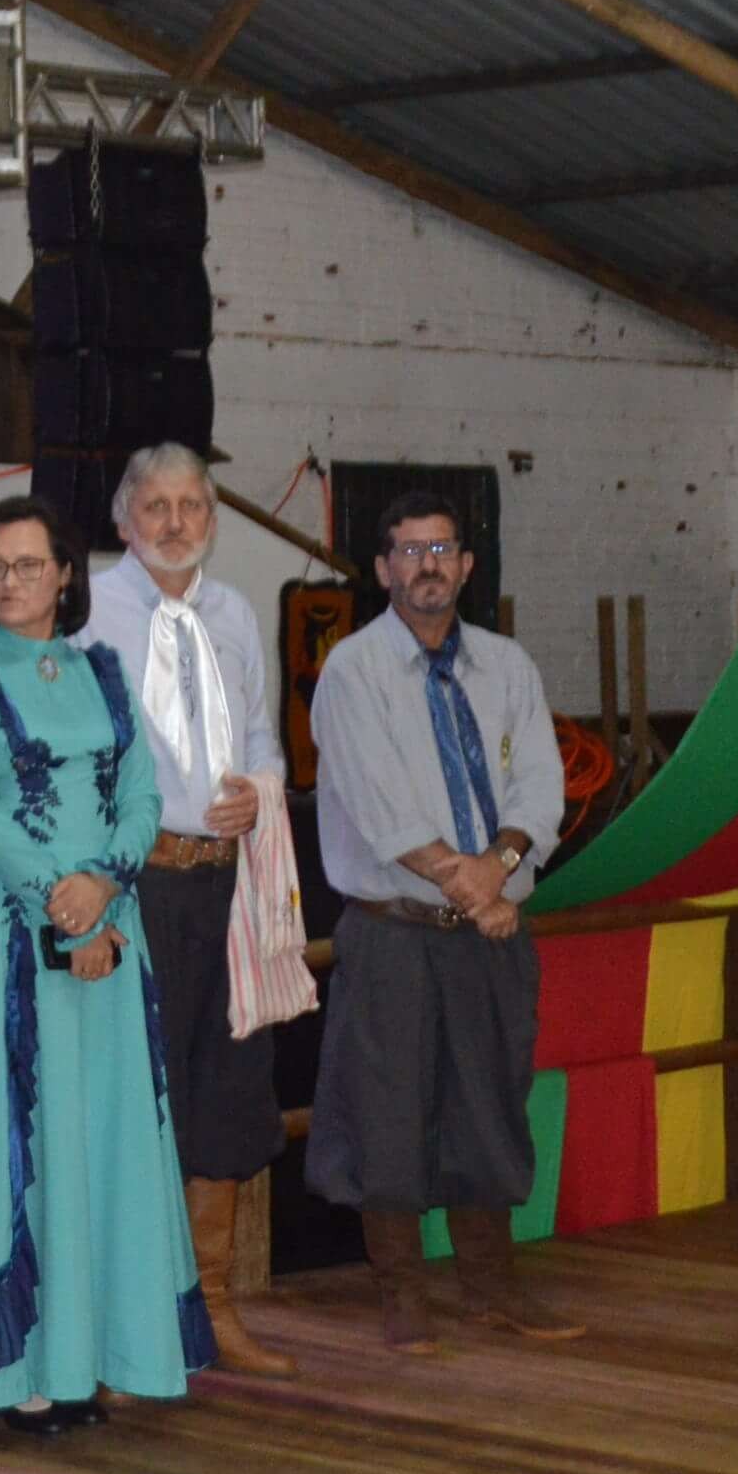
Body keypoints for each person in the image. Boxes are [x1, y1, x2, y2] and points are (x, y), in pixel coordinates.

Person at [0, 495, 203, 1435]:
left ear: (67, 573)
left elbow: (142, 792)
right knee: (22, 1136)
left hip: (109, 918)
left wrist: (104, 884)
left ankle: (89, 1354)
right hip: (14, 929)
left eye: (28, 564)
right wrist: (67, 910)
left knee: (97, 1135)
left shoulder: (105, 670)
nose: (9, 582)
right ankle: (14, 1367)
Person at [307, 494, 575, 1351]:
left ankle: (493, 1287)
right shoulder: (351, 671)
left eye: (443, 549)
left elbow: (541, 784)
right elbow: (379, 803)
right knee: (386, 1111)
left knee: (491, 1104)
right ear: (384, 569)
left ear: (465, 566)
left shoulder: (507, 667)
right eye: (409, 550)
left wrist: (498, 867)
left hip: (489, 933)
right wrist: (476, 884)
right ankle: (402, 1296)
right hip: (393, 930)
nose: (427, 564)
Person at [77, 442, 296, 1379]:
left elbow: (262, 737)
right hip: (137, 889)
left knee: (225, 1097)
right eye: (156, 507)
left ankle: (211, 1308)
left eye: (192, 506)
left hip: (229, 885)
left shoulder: (237, 612)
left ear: (213, 518)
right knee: (131, 1107)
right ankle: (124, 1326)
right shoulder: (87, 613)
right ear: (124, 519)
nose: (174, 524)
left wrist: (262, 786)